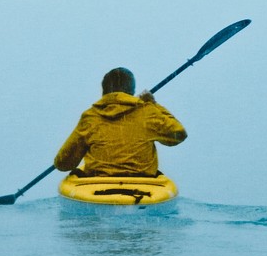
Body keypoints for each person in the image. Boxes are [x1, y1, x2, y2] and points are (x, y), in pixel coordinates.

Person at [54, 67, 187, 180]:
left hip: (98, 186)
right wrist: (154, 104)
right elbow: (179, 134)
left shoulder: (90, 117)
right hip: (143, 185)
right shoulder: (147, 111)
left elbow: (63, 164)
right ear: (131, 91)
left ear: (104, 91)